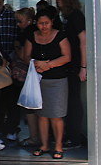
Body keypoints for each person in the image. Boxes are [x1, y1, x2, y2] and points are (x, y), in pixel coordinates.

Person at [24, 10, 71, 160]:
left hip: (57, 80)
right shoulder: (32, 36)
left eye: (46, 23)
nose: (43, 26)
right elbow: (26, 56)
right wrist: (36, 64)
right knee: (41, 115)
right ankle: (44, 145)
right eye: (40, 23)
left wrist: (49, 65)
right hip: (37, 80)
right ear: (35, 23)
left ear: (52, 22)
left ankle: (58, 146)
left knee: (56, 115)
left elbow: (67, 57)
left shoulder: (60, 35)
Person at [56, 0, 87, 149]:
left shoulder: (75, 16)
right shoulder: (66, 17)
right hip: (68, 65)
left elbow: (83, 41)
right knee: (68, 100)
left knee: (74, 101)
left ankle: (75, 138)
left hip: (75, 65)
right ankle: (70, 134)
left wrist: (83, 67)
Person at [13, 7, 40, 147]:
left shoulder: (27, 34)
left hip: (28, 73)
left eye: (20, 21)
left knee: (29, 106)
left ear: (29, 21)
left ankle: (34, 136)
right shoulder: (33, 32)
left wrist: (16, 48)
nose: (17, 24)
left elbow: (24, 57)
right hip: (36, 72)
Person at [0, 0, 19, 140]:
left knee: (11, 98)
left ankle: (11, 128)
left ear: (2, 1)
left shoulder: (11, 15)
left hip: (10, 60)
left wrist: (11, 58)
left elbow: (16, 36)